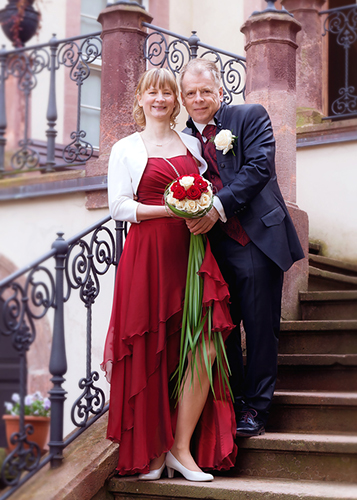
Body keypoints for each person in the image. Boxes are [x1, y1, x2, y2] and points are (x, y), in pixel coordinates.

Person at [101, 68, 237, 482]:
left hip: (191, 251)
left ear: (175, 101)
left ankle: (181, 448)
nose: (159, 98)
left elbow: (211, 187)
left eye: (166, 92)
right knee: (151, 347)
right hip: (147, 255)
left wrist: (199, 211)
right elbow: (119, 207)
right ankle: (153, 452)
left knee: (206, 344)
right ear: (140, 99)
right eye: (152, 92)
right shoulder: (125, 148)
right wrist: (172, 209)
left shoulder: (194, 144)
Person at [179, 59, 304, 437]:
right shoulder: (180, 138)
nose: (199, 98)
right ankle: (231, 405)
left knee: (261, 327)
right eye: (191, 93)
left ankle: (257, 409)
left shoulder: (249, 116)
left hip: (255, 239)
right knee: (224, 329)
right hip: (210, 248)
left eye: (205, 91)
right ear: (182, 98)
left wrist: (216, 208)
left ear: (220, 90)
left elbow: (258, 168)